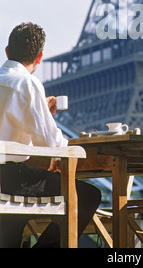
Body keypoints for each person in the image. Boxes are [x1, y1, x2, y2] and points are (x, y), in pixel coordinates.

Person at [0, 22, 101, 248]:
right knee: (87, 196)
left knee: (12, 222)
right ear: (40, 57)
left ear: (7, 51)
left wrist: (40, 109)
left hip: (3, 181)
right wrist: (45, 115)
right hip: (13, 179)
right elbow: (48, 144)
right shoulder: (27, 83)